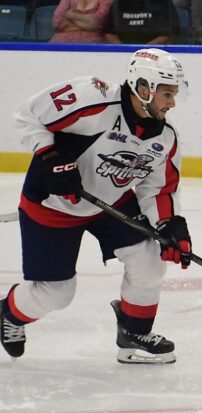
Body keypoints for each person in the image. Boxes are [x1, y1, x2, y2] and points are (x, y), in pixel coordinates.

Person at [3, 49, 191, 364]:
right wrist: (49, 157)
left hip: (108, 202)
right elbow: (27, 116)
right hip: (54, 204)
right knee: (57, 293)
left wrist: (169, 225)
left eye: (175, 93)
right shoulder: (92, 99)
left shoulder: (166, 138)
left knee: (149, 259)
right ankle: (7, 313)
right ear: (143, 88)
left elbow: (157, 188)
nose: (172, 102)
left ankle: (133, 332)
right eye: (167, 93)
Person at [106, 0, 181, 44]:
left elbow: (169, 35)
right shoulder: (119, 3)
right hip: (124, 54)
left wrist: (144, 52)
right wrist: (124, 49)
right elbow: (110, 34)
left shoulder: (163, 3)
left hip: (155, 55)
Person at [50, 0, 115, 43]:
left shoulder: (105, 1)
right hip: (60, 44)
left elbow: (96, 23)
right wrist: (88, 26)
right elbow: (57, 23)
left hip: (92, 48)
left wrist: (70, 15)